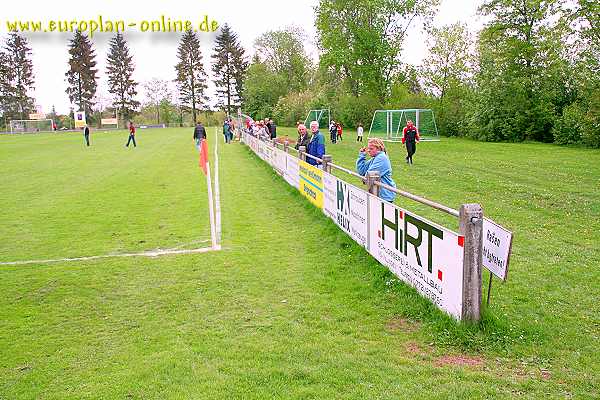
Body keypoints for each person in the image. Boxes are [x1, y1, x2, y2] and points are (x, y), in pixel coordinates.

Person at [356, 138, 396, 202]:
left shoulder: (381, 158)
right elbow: (361, 171)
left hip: (385, 196)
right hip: (377, 194)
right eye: (368, 148)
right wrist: (362, 155)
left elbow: (368, 176)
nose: (368, 150)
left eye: (371, 149)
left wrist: (364, 178)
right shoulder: (375, 158)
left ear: (379, 149)